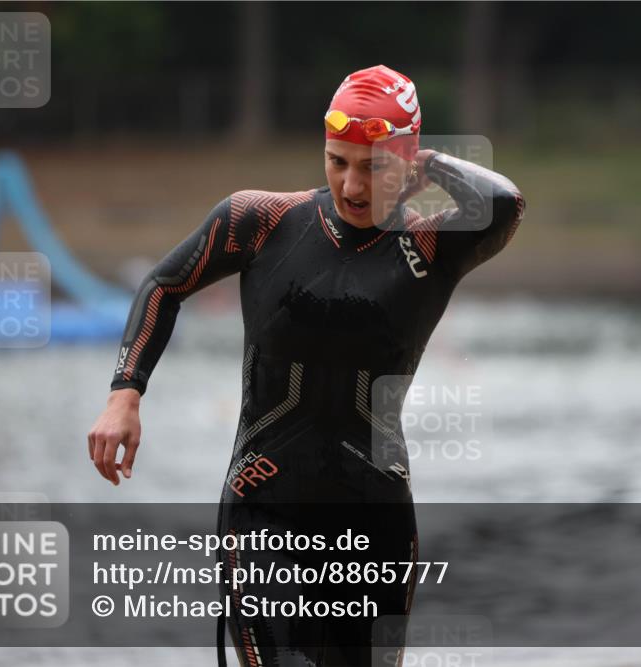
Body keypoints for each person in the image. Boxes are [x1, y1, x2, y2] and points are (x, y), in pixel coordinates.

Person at [87, 64, 525, 667]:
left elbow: (505, 201)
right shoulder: (262, 221)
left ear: (410, 162)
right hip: (264, 503)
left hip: (375, 519)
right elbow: (165, 283)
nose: (350, 184)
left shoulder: (434, 242)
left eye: (373, 166)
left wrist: (427, 162)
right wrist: (124, 394)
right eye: (337, 160)